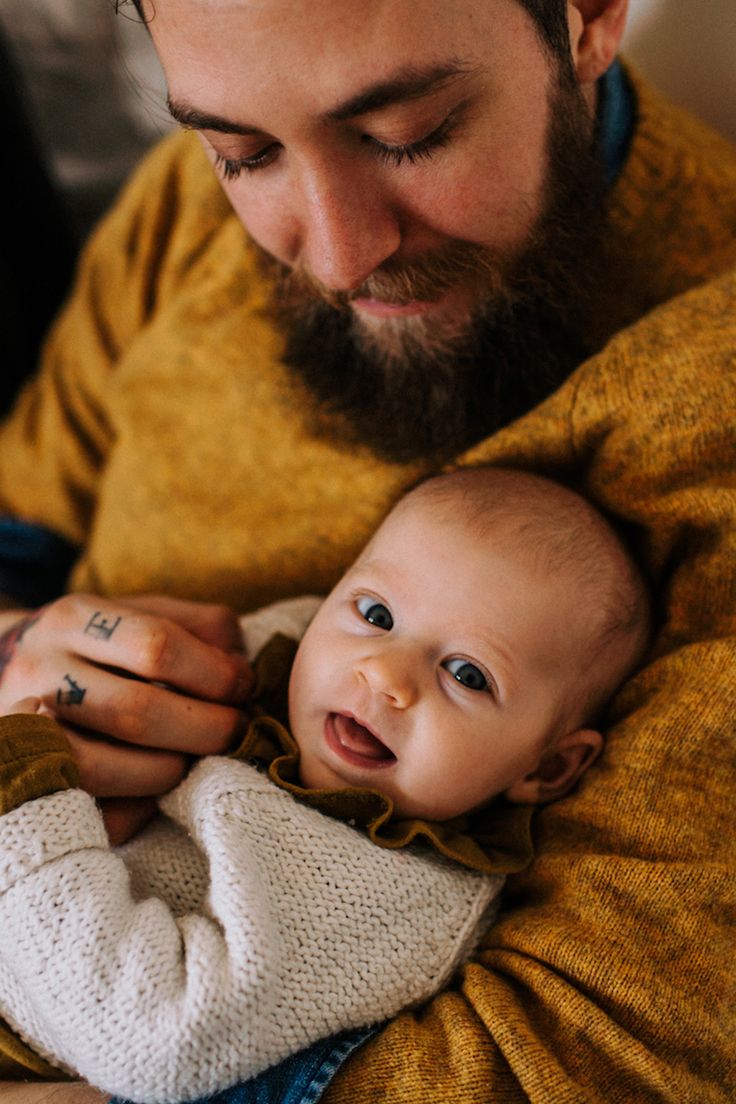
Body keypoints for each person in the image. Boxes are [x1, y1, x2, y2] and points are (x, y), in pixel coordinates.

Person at [0, 0, 733, 1099]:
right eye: (243, 153)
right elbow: (20, 525)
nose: (338, 253)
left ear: (587, 17)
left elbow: (589, 1056)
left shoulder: (706, 394)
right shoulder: (180, 212)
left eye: (409, 135)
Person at [0, 468, 650, 1103]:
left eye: (467, 675)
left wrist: (23, 798)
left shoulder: (394, 894)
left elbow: (148, 1041)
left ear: (545, 769)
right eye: (376, 613)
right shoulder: (286, 651)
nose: (384, 674)